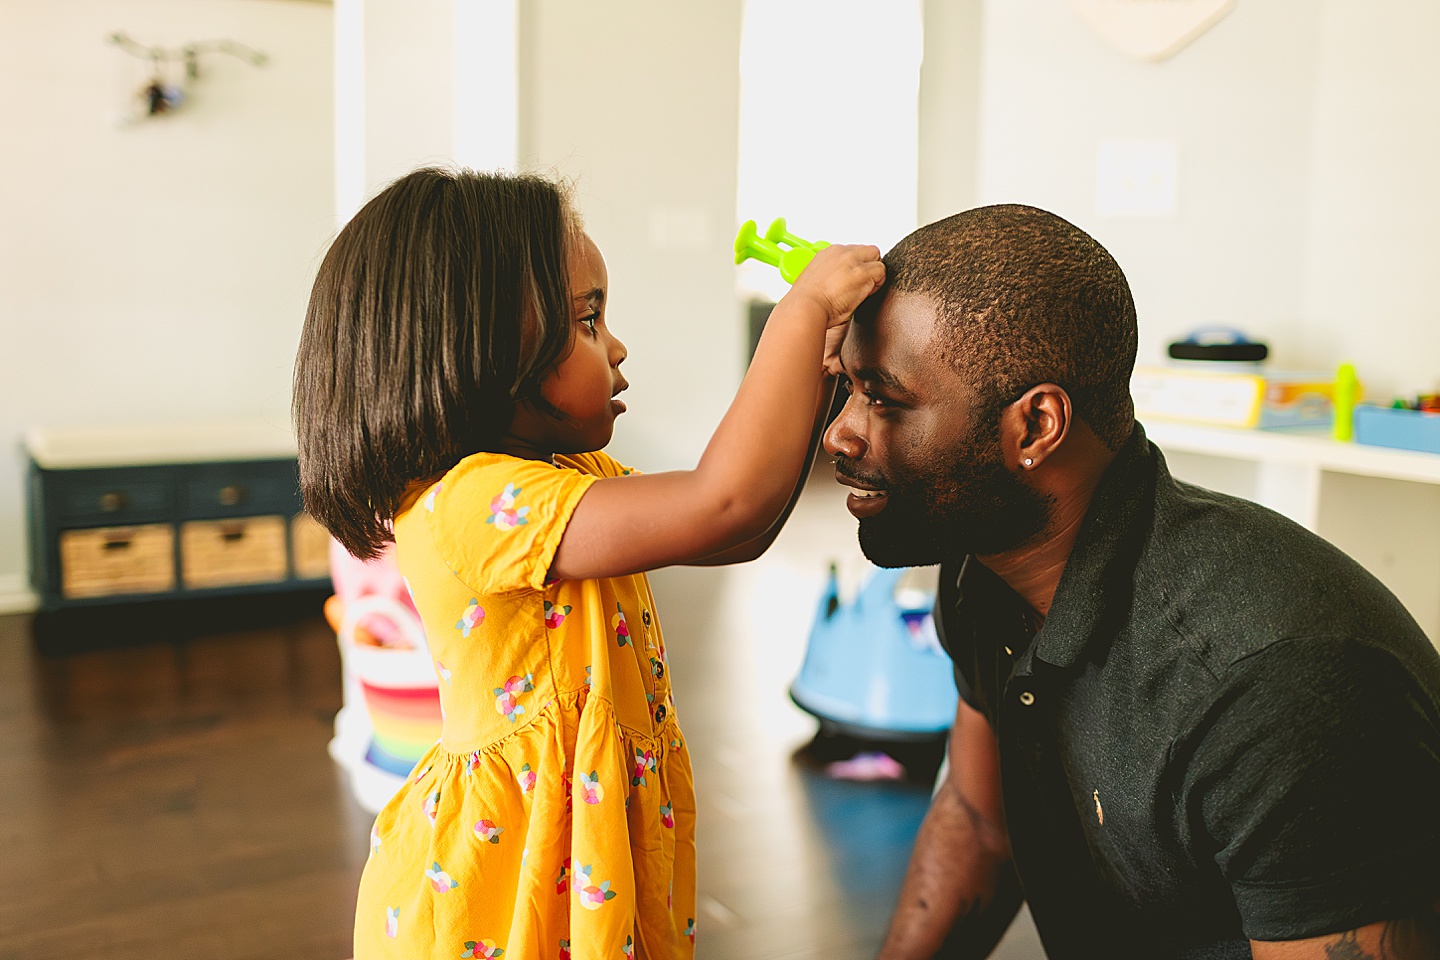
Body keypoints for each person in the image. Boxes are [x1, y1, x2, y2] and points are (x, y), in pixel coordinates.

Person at [292, 167, 883, 960]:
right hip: (506, 879)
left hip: (583, 832)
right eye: (588, 320)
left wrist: (816, 362)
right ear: (479, 344)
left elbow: (736, 529)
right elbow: (725, 502)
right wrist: (801, 312)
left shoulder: (562, 481)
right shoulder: (474, 501)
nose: (617, 346)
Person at [821, 204, 1440, 960]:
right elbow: (984, 824)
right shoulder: (981, 570)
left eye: (883, 398)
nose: (839, 433)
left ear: (1035, 427)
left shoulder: (1274, 681)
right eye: (847, 388)